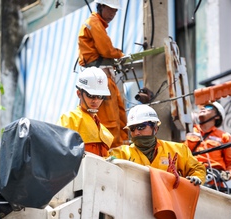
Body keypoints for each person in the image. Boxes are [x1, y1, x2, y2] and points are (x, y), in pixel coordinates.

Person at [109, 104, 206, 185]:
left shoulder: (177, 150)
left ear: (155, 128)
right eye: (132, 129)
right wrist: (109, 162)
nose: (136, 132)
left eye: (141, 127)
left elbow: (196, 168)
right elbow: (106, 164)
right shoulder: (121, 153)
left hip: (168, 202)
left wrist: (196, 177)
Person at [78, 0, 128, 148]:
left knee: (118, 114)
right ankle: (113, 151)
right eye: (111, 9)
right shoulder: (94, 23)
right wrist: (120, 54)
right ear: (101, 6)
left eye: (115, 11)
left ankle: (121, 149)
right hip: (100, 77)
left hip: (103, 75)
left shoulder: (95, 23)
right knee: (110, 119)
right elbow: (107, 50)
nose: (113, 13)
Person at [57, 67, 114, 157]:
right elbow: (59, 151)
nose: (95, 101)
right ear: (79, 94)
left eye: (100, 96)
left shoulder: (102, 129)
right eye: (90, 95)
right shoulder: (70, 119)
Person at [185, 101, 231, 185]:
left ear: (217, 116)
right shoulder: (188, 130)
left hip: (214, 182)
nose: (203, 108)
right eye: (202, 107)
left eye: (208, 108)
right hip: (191, 176)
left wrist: (228, 174)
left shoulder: (224, 137)